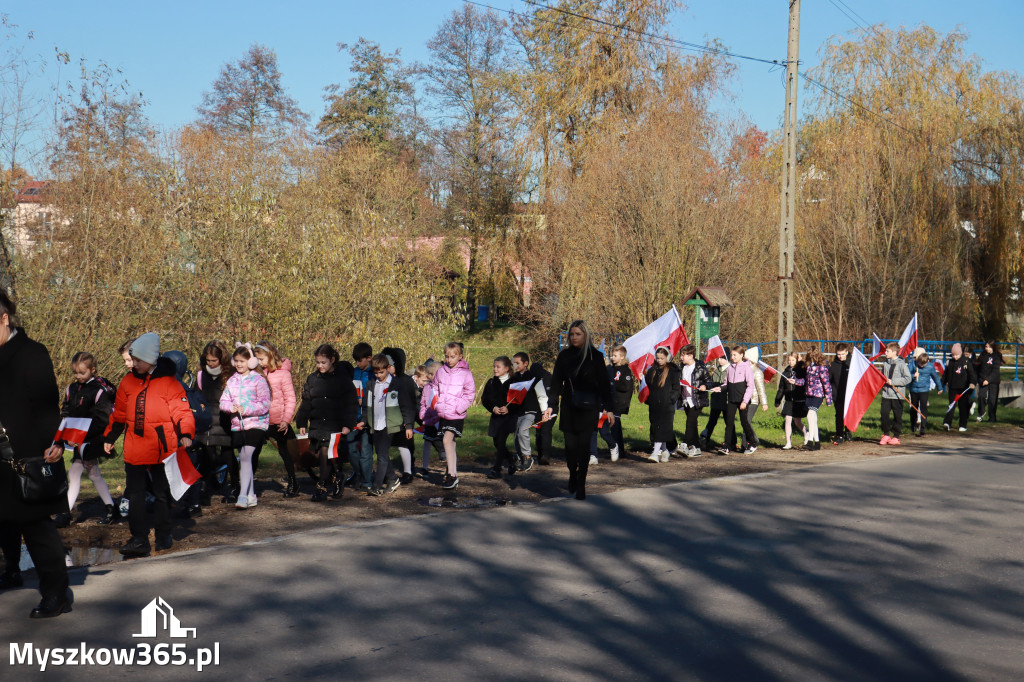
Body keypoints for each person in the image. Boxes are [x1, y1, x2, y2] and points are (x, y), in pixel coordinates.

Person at [0, 290, 73, 618]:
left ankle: (56, 594)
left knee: (37, 528)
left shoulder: (32, 353)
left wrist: (54, 443)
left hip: (26, 457)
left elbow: (46, 407)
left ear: (4, 319)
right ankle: (11, 569)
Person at [104, 332, 195, 557]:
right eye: (132, 360)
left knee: (161, 493)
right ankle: (139, 538)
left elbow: (182, 410)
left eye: (138, 360)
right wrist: (109, 437)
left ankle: (164, 533)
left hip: (162, 447)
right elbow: (120, 413)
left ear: (150, 359)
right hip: (135, 446)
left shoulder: (169, 382)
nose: (133, 364)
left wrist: (185, 432)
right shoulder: (128, 380)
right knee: (135, 494)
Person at [543, 320, 614, 500]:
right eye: (572, 334)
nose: (574, 337)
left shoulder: (595, 357)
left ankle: (581, 483)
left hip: (589, 407)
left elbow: (605, 385)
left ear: (585, 335)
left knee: (583, 448)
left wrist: (609, 408)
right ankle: (572, 472)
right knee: (570, 449)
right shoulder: (564, 356)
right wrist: (551, 405)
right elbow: (557, 382)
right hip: (569, 406)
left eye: (578, 334)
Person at [55, 352, 118, 528]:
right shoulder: (71, 389)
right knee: (87, 473)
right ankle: (110, 508)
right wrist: (68, 435)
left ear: (92, 370)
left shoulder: (98, 390)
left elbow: (102, 420)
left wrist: (80, 436)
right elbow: (67, 411)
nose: (78, 376)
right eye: (75, 373)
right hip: (78, 439)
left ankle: (66, 513)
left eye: (82, 373)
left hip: (93, 438)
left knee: (83, 472)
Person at [295, 344, 358, 501]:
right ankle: (338, 476)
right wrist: (302, 421)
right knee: (324, 454)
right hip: (318, 422)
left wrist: (348, 424)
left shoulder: (342, 379)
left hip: (336, 423)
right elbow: (307, 402)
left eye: (323, 362)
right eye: (318, 362)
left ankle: (321, 486)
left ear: (332, 360)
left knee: (325, 450)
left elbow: (351, 403)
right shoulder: (312, 379)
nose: (320, 366)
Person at [220, 345, 272, 509]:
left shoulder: (258, 380)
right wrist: (231, 408)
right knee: (244, 456)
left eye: (242, 361)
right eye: (236, 361)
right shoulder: (232, 380)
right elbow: (223, 401)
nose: (238, 364)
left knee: (245, 455)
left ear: (250, 362)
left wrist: (246, 409)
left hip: (257, 424)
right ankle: (251, 495)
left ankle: (242, 495)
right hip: (238, 425)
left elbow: (264, 404)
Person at [362, 353, 415, 496]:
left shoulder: (397, 384)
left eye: (382, 372)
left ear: (388, 368)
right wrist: (364, 420)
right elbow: (366, 406)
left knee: (382, 456)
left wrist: (408, 425)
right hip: (376, 424)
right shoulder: (371, 384)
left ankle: (376, 486)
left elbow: (406, 406)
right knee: (380, 454)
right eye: (376, 372)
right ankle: (392, 479)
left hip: (390, 425)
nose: (379, 375)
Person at [254, 341, 299, 497]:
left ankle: (293, 482)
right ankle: (248, 485)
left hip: (279, 421)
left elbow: (290, 398)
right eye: (257, 359)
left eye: (261, 359)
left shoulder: (283, 374)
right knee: (253, 451)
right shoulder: (258, 373)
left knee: (286, 452)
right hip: (261, 421)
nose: (259, 362)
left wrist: (286, 420)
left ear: (270, 355)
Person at [196, 341, 237, 503]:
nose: (211, 364)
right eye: (208, 361)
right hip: (207, 419)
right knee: (207, 455)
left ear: (221, 359)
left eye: (214, 360)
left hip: (224, 418)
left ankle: (234, 487)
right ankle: (206, 489)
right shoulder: (201, 375)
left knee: (228, 454)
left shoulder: (230, 374)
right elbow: (196, 394)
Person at [432, 342, 476, 490]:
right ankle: (452, 470)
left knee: (446, 440)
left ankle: (452, 475)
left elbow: (470, 394)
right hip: (443, 412)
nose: (449, 359)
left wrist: (459, 407)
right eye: (447, 356)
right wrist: (437, 404)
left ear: (460, 356)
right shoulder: (441, 371)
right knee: (452, 443)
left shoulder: (466, 374)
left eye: (453, 356)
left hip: (456, 414)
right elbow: (434, 388)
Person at [382, 348, 418, 485]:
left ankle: (408, 471)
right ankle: (386, 472)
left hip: (403, 419)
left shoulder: (405, 381)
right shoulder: (383, 380)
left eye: (389, 366)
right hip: (387, 419)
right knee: (384, 447)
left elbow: (410, 402)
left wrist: (408, 421)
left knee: (404, 445)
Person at [342, 343, 373, 489]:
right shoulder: (354, 373)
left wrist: (365, 400)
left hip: (368, 418)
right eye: (356, 361)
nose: (357, 363)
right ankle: (359, 475)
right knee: (352, 449)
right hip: (354, 417)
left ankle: (367, 481)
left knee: (366, 451)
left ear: (369, 358)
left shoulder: (374, 373)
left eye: (360, 360)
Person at [510, 352, 548, 471]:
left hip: (530, 412)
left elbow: (542, 396)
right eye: (513, 363)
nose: (515, 365)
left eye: (517, 363)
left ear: (526, 363)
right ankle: (520, 457)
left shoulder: (534, 378)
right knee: (516, 435)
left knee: (522, 431)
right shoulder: (513, 378)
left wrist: (544, 411)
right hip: (517, 412)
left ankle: (528, 457)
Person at [482, 356, 518, 479]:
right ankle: (511, 459)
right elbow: (485, 400)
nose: (495, 369)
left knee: (501, 440)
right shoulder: (491, 382)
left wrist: (509, 408)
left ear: (506, 368)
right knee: (496, 442)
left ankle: (496, 469)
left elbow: (519, 401)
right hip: (496, 418)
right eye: (494, 366)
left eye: (498, 367)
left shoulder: (515, 382)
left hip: (509, 418)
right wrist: (493, 408)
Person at [718, 346, 757, 455]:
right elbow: (726, 384)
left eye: (735, 355)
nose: (733, 357)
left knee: (744, 422)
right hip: (731, 399)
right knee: (729, 423)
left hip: (742, 400)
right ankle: (727, 446)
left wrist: (745, 401)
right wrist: (720, 388)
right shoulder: (730, 368)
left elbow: (750, 386)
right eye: (732, 355)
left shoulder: (747, 368)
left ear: (741, 355)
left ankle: (753, 443)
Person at [645, 347, 680, 463]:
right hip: (655, 404)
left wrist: (671, 399)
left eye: (662, 358)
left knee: (662, 428)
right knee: (656, 427)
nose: (659, 360)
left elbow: (676, 389)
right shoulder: (652, 371)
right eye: (658, 358)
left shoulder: (673, 371)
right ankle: (665, 450)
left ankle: (655, 453)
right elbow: (648, 387)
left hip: (666, 405)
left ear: (667, 358)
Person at [677, 344, 711, 457]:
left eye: (683, 355)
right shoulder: (681, 367)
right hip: (685, 399)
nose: (681, 358)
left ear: (691, 356)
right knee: (692, 424)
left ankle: (685, 444)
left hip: (697, 400)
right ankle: (696, 447)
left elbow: (709, 381)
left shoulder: (700, 368)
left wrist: (705, 386)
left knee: (690, 422)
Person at [414, 363, 444, 477]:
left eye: (432, 374)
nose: (429, 377)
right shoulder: (426, 388)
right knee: (427, 442)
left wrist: (438, 416)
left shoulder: (443, 387)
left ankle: (449, 468)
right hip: (428, 420)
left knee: (445, 443)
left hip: (440, 420)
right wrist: (422, 414)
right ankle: (425, 468)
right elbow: (423, 403)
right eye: (429, 374)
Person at [802, 347, 834, 450]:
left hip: (818, 395)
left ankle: (810, 441)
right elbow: (806, 382)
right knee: (812, 418)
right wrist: (796, 381)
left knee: (810, 414)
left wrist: (829, 399)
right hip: (809, 394)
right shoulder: (808, 368)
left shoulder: (822, 368)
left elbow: (826, 384)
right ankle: (817, 442)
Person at [878, 343, 910, 445]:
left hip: (897, 395)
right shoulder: (885, 363)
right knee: (884, 414)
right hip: (886, 394)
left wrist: (894, 381)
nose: (885, 353)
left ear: (894, 352)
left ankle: (896, 436)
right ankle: (886, 434)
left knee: (897, 416)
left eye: (887, 351)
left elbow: (907, 378)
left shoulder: (901, 364)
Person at [775, 352, 807, 450]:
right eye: (789, 360)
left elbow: (805, 383)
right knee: (788, 420)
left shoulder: (801, 371)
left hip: (798, 400)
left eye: (793, 360)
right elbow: (781, 388)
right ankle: (788, 442)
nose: (790, 362)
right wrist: (778, 400)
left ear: (797, 360)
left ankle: (807, 435)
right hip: (788, 400)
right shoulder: (785, 373)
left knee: (797, 422)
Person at [943, 343, 977, 432]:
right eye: (953, 355)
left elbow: (972, 374)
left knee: (963, 407)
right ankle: (947, 423)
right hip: (952, 388)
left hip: (963, 388)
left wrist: (973, 383)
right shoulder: (950, 362)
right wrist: (941, 384)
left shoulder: (966, 362)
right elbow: (945, 375)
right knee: (951, 406)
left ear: (960, 353)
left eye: (957, 355)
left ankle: (963, 425)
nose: (955, 357)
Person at [700, 355, 731, 451]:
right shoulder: (717, 370)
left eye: (722, 358)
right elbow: (712, 382)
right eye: (718, 358)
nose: (719, 360)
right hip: (716, 400)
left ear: (727, 359)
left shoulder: (730, 370)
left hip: (726, 401)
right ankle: (704, 438)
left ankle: (731, 442)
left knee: (729, 422)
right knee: (712, 421)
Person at [908, 348, 941, 436]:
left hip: (924, 390)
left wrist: (939, 387)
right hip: (914, 389)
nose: (922, 366)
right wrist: (913, 375)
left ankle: (923, 427)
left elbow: (935, 377)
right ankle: (913, 424)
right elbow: (906, 375)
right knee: (913, 408)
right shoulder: (913, 365)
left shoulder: (930, 367)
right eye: (920, 364)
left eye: (924, 364)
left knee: (923, 407)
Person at [741, 347, 769, 452]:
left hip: (754, 400)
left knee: (747, 421)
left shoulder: (757, 372)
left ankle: (753, 442)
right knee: (744, 422)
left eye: (746, 359)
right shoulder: (745, 369)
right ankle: (745, 444)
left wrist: (764, 403)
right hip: (745, 400)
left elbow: (761, 389)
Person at [530, 360, 555, 465]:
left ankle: (545, 455)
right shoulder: (533, 379)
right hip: (538, 410)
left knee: (545, 430)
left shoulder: (549, 378)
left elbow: (554, 394)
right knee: (540, 432)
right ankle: (541, 454)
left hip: (550, 409)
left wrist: (551, 407)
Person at [829, 343, 853, 444]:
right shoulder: (833, 365)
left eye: (843, 354)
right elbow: (830, 380)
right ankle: (839, 434)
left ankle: (848, 431)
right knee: (839, 415)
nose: (841, 356)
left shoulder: (852, 363)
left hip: (849, 394)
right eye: (838, 354)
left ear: (847, 352)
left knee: (848, 414)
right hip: (837, 395)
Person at [976, 341, 1003, 423]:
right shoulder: (983, 355)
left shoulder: (997, 356)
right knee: (981, 396)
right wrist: (981, 379)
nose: (987, 349)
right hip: (983, 380)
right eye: (986, 347)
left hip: (993, 381)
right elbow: (978, 367)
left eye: (989, 347)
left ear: (993, 347)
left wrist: (988, 380)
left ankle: (992, 418)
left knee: (992, 400)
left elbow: (995, 371)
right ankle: (981, 412)